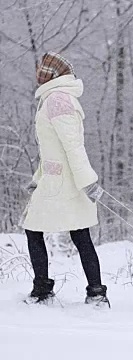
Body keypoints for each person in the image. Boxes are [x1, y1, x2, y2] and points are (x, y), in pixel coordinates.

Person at [20, 52, 109, 307]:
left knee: (38, 230)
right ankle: (95, 294)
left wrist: (87, 181)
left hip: (65, 183)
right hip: (55, 180)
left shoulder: (57, 100)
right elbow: (52, 149)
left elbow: (73, 146)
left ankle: (45, 292)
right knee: (78, 234)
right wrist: (38, 177)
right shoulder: (53, 98)